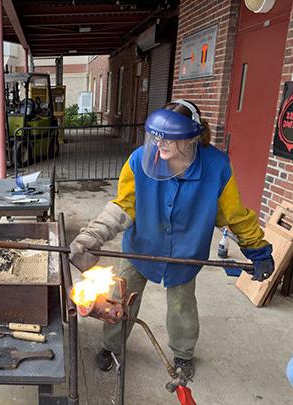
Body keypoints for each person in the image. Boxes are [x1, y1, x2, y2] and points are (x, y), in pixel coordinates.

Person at [70, 100, 274, 379]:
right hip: (141, 246)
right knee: (120, 297)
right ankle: (111, 345)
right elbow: (124, 206)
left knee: (182, 304)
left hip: (186, 252)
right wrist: (94, 234)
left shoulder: (216, 166)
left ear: (191, 138)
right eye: (156, 136)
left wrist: (258, 250)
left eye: (169, 139)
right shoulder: (140, 160)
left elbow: (234, 214)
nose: (159, 144)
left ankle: (183, 354)